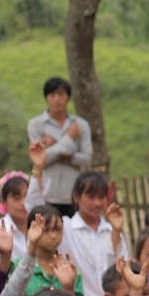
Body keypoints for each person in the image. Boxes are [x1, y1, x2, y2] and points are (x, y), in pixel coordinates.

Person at [27, 77, 92, 217]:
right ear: (46, 98)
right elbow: (40, 159)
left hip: (74, 193)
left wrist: (55, 144)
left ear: (68, 97)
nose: (57, 99)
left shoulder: (81, 125)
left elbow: (87, 158)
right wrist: (68, 139)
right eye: (52, 95)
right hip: (46, 193)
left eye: (61, 94)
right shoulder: (35, 125)